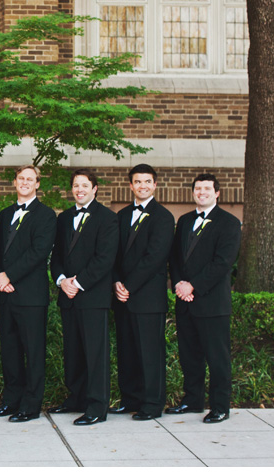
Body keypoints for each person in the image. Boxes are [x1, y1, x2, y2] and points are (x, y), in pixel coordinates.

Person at [167, 173, 241, 423]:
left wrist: (193, 286)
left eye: (207, 188)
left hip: (212, 303)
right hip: (185, 302)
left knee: (217, 358)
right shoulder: (185, 220)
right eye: (198, 188)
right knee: (190, 356)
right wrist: (178, 283)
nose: (202, 192)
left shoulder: (229, 223)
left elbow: (223, 263)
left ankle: (220, 406)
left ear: (217, 193)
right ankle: (192, 401)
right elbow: (175, 257)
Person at [49, 168, 118, 425]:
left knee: (95, 353)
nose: (79, 190)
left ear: (94, 188)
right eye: (76, 185)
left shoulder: (108, 218)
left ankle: (97, 406)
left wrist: (78, 283)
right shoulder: (64, 218)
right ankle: (75, 397)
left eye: (84, 185)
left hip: (92, 297)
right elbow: (56, 257)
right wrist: (61, 281)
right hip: (67, 296)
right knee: (73, 351)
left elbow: (105, 259)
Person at [0, 165, 56, 423]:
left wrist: (9, 275)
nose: (25, 182)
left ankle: (30, 405)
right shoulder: (4, 214)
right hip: (5, 293)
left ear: (38, 184)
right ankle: (11, 400)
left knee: (33, 351)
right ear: (15, 182)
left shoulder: (47, 215)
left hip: (31, 296)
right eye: (21, 178)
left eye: (30, 179)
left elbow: (38, 252)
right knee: (10, 350)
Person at [110, 164, 174, 420]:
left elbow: (155, 257)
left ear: (155, 185)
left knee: (150, 353)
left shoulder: (164, 217)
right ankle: (130, 399)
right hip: (122, 297)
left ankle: (152, 404)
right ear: (131, 186)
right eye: (138, 182)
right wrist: (116, 282)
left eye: (147, 181)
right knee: (127, 352)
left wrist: (129, 285)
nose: (143, 186)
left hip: (148, 298)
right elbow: (112, 255)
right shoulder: (121, 215)